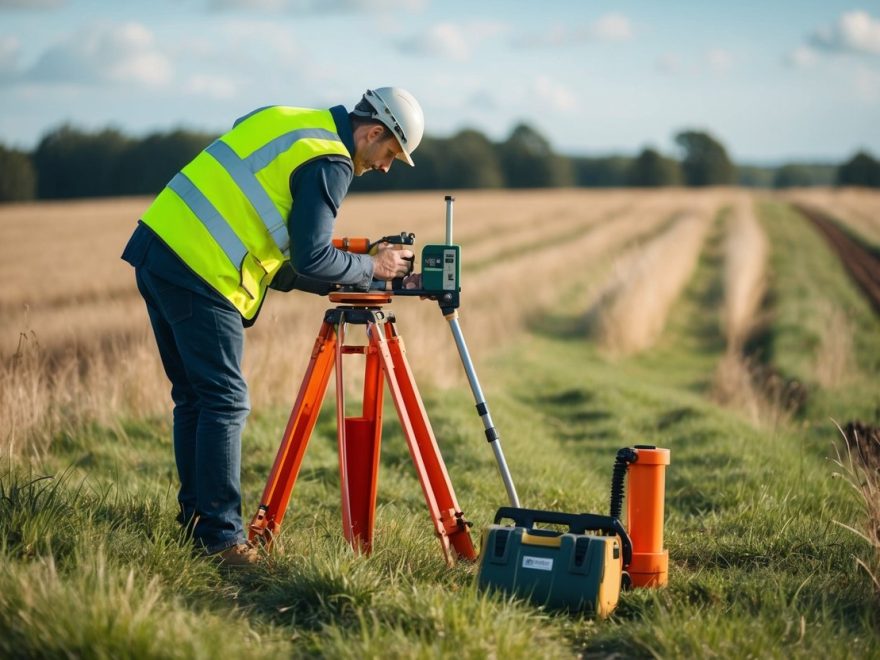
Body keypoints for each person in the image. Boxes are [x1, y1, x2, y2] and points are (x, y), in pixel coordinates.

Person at [120, 87, 424, 566]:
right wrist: (373, 267)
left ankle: (197, 523)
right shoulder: (333, 160)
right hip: (203, 269)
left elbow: (287, 260)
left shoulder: (287, 119)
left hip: (158, 248)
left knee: (196, 398)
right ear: (373, 132)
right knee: (224, 399)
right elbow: (314, 256)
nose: (385, 167)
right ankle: (221, 541)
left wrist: (341, 278)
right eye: (389, 154)